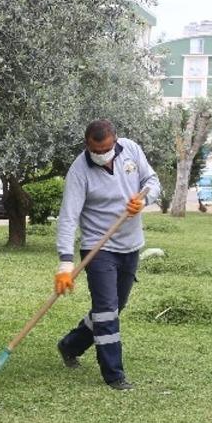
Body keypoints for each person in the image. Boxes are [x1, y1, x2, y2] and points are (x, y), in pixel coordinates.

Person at [53, 120, 161, 390]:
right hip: (98, 248)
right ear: (87, 145)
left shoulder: (131, 150)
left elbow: (152, 180)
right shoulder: (79, 171)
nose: (102, 154)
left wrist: (144, 199)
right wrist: (65, 264)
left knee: (115, 306)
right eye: (95, 150)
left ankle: (70, 345)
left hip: (131, 244)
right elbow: (68, 217)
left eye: (106, 148)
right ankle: (114, 374)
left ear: (115, 141)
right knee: (105, 312)